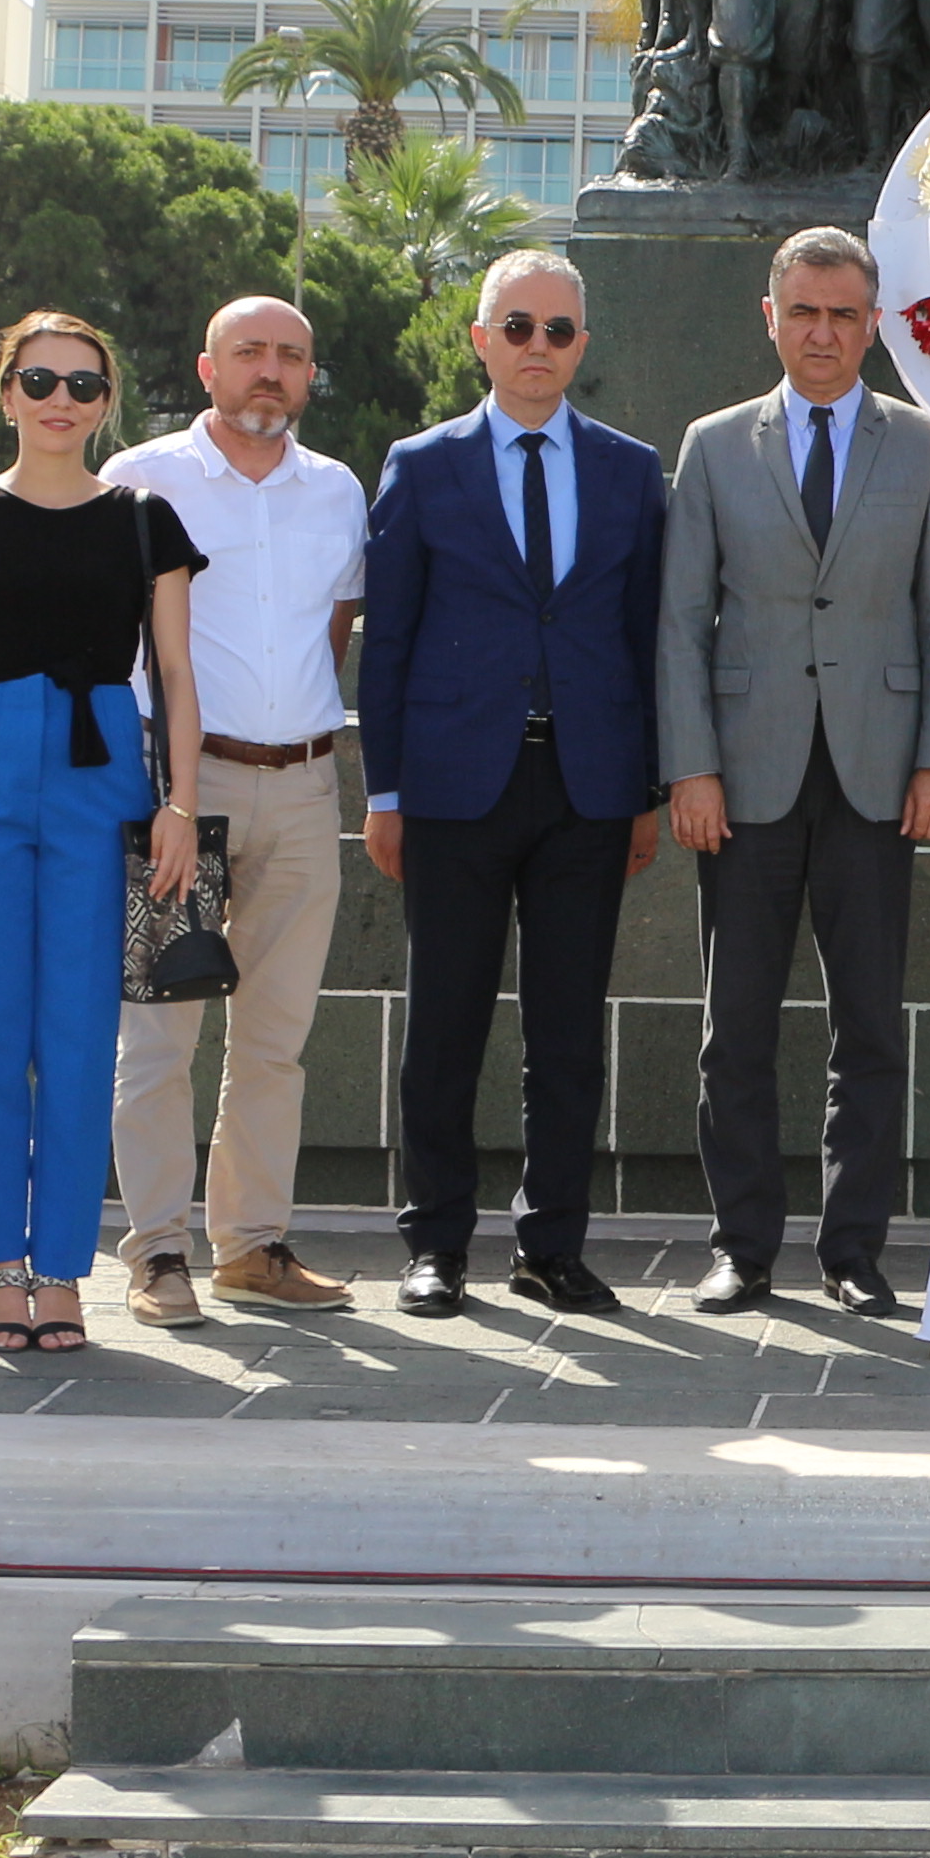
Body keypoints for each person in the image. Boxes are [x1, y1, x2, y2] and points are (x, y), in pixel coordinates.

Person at [659, 227, 930, 1315]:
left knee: (872, 1027)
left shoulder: (927, 446)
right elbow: (679, 624)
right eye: (805, 311)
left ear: (875, 323)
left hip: (880, 779)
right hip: (742, 780)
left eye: (845, 314)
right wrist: (689, 769)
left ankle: (853, 1254)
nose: (825, 332)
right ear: (771, 317)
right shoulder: (711, 446)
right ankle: (741, 1248)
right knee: (734, 1026)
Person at [361, 251, 669, 1319]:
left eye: (560, 331)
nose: (540, 347)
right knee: (445, 1025)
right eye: (520, 326)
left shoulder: (633, 471)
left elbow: (647, 639)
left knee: (568, 1033)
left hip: (587, 787)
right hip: (452, 789)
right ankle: (435, 1245)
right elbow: (387, 638)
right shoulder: (422, 463)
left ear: (583, 345)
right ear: (481, 339)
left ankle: (552, 1246)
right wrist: (385, 789)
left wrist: (646, 790)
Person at [0, 313, 206, 1356]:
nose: (62, 400)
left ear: (108, 400)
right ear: (8, 392)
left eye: (84, 384)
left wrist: (178, 805)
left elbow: (174, 675)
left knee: (79, 1037)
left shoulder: (143, 518)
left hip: (99, 766)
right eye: (42, 380)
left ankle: (65, 1268)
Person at [108, 295, 372, 1327]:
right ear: (206, 366)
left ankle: (252, 1246)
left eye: (291, 356)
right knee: (162, 1034)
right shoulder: (144, 479)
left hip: (305, 787)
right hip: (184, 792)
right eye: (250, 352)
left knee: (275, 1037)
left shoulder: (337, 490)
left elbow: (334, 630)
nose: (271, 370)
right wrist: (164, 787)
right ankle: (158, 1252)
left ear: (310, 377)